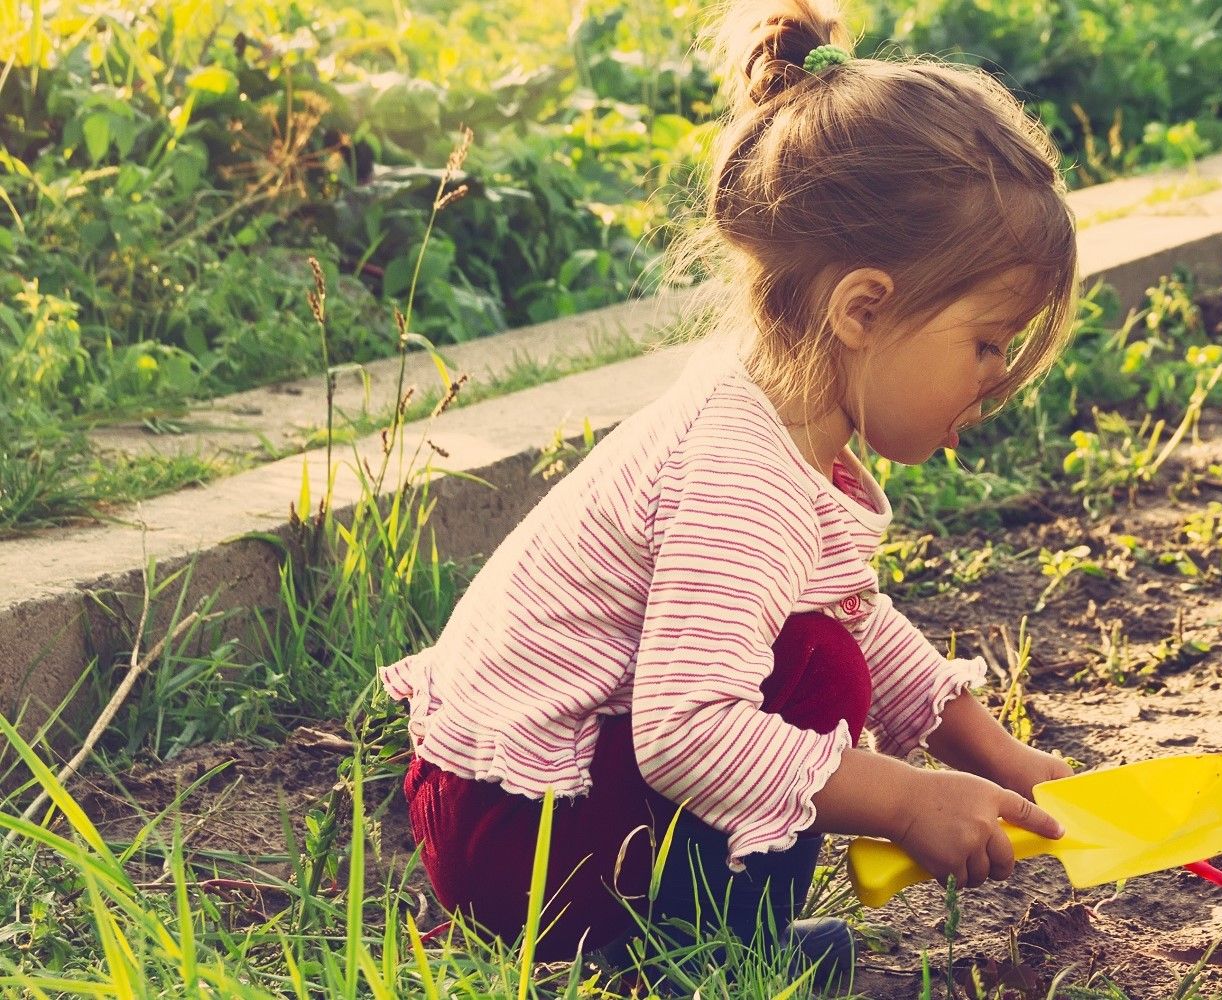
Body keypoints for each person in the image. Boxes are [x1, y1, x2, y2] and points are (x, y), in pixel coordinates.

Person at [380, 0, 1082, 989]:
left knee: (820, 646)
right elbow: (685, 730)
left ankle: (696, 939)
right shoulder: (738, 472)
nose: (997, 378)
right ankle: (701, 963)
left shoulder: (780, 419)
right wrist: (904, 799)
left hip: (522, 810)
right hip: (521, 838)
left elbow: (850, 606)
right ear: (864, 309)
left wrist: (988, 751)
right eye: (985, 341)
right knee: (814, 673)